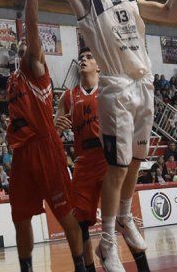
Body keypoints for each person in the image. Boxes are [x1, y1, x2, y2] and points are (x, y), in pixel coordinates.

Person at [18, 0, 177, 272]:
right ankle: (108, 243)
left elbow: (173, 13)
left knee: (137, 163)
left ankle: (125, 216)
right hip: (115, 85)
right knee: (118, 166)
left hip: (145, 84)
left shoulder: (132, 1)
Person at [0, 0, 87, 272]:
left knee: (65, 215)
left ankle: (80, 266)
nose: (23, 45)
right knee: (20, 217)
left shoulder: (36, 69)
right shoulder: (14, 80)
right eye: (20, 45)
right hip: (21, 152)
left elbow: (31, 24)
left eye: (26, 44)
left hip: (45, 146)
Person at [55, 47, 131, 272]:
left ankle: (113, 253)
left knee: (120, 217)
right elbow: (51, 136)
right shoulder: (67, 96)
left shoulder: (110, 89)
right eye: (81, 58)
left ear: (99, 66)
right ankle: (88, 268)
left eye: (89, 57)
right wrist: (55, 128)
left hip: (109, 159)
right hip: (83, 161)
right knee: (80, 221)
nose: (83, 60)